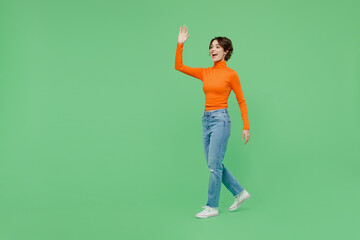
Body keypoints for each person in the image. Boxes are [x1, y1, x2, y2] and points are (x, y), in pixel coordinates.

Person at [174, 25, 251, 219]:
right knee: (213, 163)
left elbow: (241, 100)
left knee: (213, 165)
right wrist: (180, 44)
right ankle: (240, 193)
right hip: (206, 120)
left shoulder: (231, 74)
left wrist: (246, 126)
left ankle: (212, 207)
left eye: (217, 47)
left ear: (226, 51)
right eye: (211, 47)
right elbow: (179, 66)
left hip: (221, 120)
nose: (212, 50)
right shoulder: (205, 72)